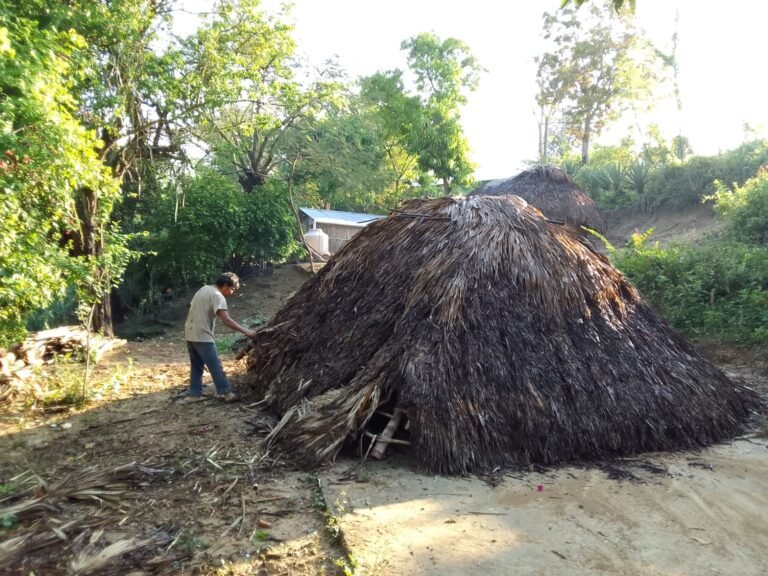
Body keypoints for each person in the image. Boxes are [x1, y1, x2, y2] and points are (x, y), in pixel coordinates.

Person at [182, 272, 256, 403]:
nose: (232, 292)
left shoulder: (203, 289)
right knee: (215, 365)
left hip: (190, 333)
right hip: (202, 335)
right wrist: (246, 331)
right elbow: (227, 320)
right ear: (226, 285)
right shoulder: (217, 296)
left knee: (197, 365)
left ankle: (195, 394)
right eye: (232, 289)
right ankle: (226, 392)